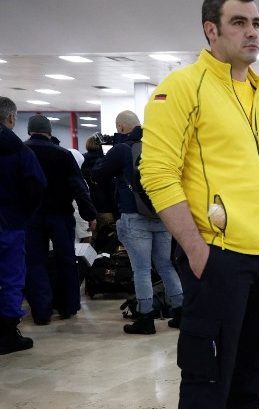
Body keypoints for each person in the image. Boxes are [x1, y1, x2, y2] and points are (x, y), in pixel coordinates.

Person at [140, 0, 259, 409]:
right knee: (209, 366)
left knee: (252, 358)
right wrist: (195, 250)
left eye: (256, 24)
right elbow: (158, 174)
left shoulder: (257, 93)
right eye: (239, 23)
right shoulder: (183, 87)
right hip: (219, 256)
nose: (252, 32)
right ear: (211, 29)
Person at [91, 110, 184, 335]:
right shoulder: (158, 146)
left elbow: (97, 173)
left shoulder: (122, 149)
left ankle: (145, 317)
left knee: (141, 269)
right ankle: (181, 313)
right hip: (162, 214)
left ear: (122, 127)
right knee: (165, 265)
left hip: (134, 216)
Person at [23, 114, 97, 324]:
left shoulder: (22, 152)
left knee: (35, 262)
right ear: (50, 131)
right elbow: (79, 187)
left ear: (29, 130)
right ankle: (68, 306)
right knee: (66, 260)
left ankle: (41, 311)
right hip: (61, 215)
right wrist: (89, 214)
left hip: (31, 216)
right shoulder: (63, 155)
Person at [0, 97, 46, 355]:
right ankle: (6, 334)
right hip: (9, 223)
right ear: (10, 119)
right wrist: (23, 213)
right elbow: (36, 187)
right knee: (10, 277)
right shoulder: (19, 151)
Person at [81, 135, 115, 234]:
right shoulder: (107, 161)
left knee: (89, 241)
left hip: (87, 210)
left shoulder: (80, 161)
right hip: (106, 209)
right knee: (108, 242)